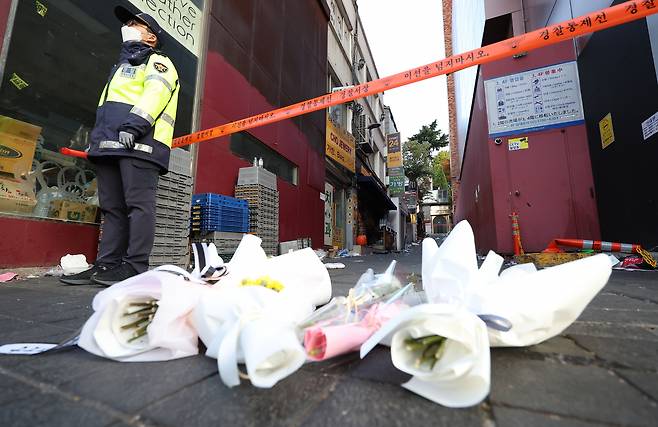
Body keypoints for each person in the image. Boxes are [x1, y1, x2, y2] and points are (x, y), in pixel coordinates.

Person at [61, 6, 180, 286]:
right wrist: (97, 144)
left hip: (140, 146)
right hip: (110, 147)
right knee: (112, 209)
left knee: (139, 206)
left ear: (151, 38)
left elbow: (156, 94)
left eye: (134, 23)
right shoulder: (121, 66)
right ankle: (107, 265)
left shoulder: (157, 62)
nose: (127, 26)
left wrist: (133, 126)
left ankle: (135, 267)